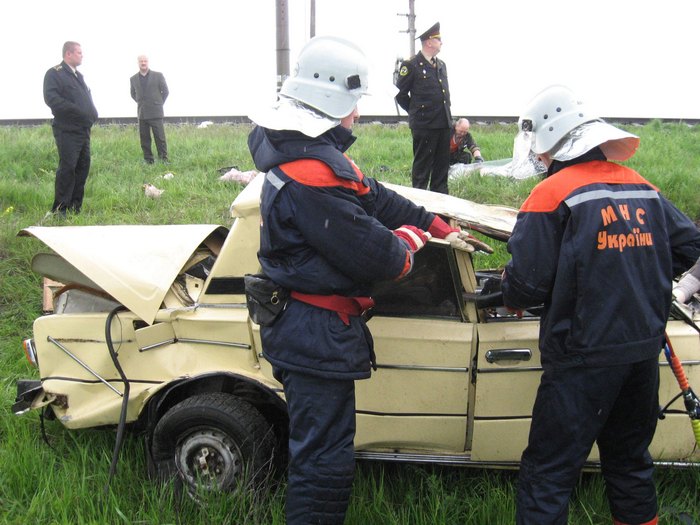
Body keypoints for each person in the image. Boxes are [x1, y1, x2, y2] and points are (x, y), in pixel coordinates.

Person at [247, 35, 488, 525]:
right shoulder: (312, 179)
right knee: (323, 461)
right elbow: (387, 260)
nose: (357, 113)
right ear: (330, 104)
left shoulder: (304, 152)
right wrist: (413, 239)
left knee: (322, 449)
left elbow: (374, 195)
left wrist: (434, 221)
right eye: (352, 103)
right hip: (314, 333)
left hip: (303, 324)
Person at [501, 85, 700, 525]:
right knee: (630, 464)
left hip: (581, 360)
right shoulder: (643, 187)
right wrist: (635, 272)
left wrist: (513, 289)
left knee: (548, 474)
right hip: (641, 354)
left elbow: (526, 287)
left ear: (550, 141)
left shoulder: (551, 194)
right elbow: (688, 248)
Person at [395, 22, 452, 194]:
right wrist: (416, 112)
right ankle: (419, 203)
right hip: (424, 125)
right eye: (438, 39)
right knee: (422, 169)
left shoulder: (441, 64)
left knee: (441, 169)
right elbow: (400, 94)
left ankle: (441, 202)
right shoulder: (411, 64)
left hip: (443, 123)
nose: (441, 42)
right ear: (429, 42)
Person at [43, 41, 98, 216]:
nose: (82, 55)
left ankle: (75, 207)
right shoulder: (55, 74)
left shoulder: (78, 76)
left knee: (83, 167)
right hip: (67, 130)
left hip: (83, 130)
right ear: (68, 54)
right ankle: (60, 209)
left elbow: (85, 99)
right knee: (68, 168)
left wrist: (92, 114)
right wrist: (78, 111)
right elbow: (52, 99)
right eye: (79, 52)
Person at [130, 55, 169, 163]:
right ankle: (148, 160)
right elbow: (133, 94)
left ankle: (163, 159)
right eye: (141, 61)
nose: (143, 63)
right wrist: (142, 103)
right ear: (138, 63)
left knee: (160, 138)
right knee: (144, 139)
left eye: (145, 61)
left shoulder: (158, 75)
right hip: (142, 113)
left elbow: (165, 91)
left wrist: (158, 103)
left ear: (148, 62)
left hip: (156, 112)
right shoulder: (133, 79)